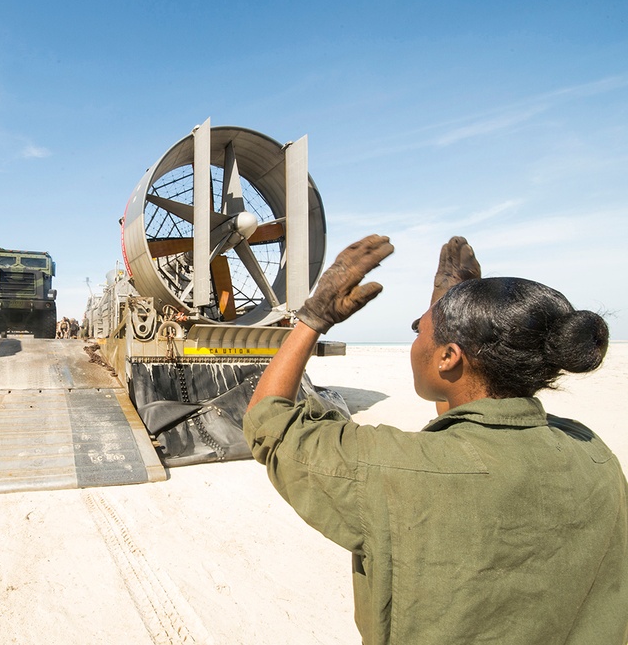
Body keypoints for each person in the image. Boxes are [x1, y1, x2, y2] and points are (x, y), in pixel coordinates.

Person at [244, 235, 628, 645]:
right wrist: (445, 307)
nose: (415, 338)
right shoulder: (593, 452)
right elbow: (466, 431)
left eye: (419, 329)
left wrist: (313, 317)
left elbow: (270, 421)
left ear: (448, 357)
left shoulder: (388, 471)